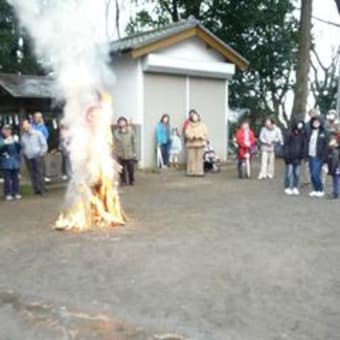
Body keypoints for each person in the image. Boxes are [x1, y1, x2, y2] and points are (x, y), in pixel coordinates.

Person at [21, 119, 48, 196]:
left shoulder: (38, 134)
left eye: (26, 124)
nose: (25, 126)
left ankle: (43, 190)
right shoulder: (23, 137)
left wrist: (41, 153)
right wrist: (25, 154)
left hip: (38, 156)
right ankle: (36, 190)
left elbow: (44, 145)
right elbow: (23, 147)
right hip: (29, 158)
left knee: (40, 173)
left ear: (30, 125)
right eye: (23, 125)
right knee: (32, 174)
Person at [306, 116, 329, 198]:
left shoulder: (324, 132)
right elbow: (307, 143)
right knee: (312, 174)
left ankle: (320, 189)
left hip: (319, 157)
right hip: (311, 155)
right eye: (314, 122)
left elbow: (326, 146)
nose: (315, 123)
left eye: (317, 122)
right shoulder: (310, 131)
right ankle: (315, 189)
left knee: (316, 173)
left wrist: (325, 158)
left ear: (320, 122)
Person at [282, 121, 306, 195]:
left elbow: (303, 146)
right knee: (288, 173)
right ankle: (287, 187)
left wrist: (302, 155)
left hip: (298, 157)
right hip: (289, 157)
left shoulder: (301, 134)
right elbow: (286, 146)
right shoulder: (289, 133)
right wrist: (286, 156)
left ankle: (295, 187)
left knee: (297, 173)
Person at [0, 125, 22, 200]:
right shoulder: (1, 139)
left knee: (16, 178)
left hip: (15, 161)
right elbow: (1, 150)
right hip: (6, 162)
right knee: (7, 178)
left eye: (9, 130)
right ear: (2, 130)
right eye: (6, 130)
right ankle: (8, 193)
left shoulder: (14, 138)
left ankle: (16, 192)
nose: (8, 131)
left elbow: (19, 149)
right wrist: (5, 143)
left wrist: (17, 142)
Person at [114, 116, 136, 186]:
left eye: (123, 122)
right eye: (120, 122)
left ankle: (131, 180)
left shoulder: (130, 130)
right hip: (120, 154)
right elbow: (114, 142)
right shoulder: (116, 132)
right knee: (121, 169)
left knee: (131, 169)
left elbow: (134, 141)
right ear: (118, 124)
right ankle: (123, 181)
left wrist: (134, 152)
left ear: (126, 123)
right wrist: (115, 153)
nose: (121, 123)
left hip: (129, 153)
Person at [184, 109, 208, 177]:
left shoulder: (203, 125)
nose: (195, 118)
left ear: (198, 117)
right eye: (193, 117)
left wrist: (201, 136)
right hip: (191, 144)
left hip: (200, 144)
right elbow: (187, 133)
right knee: (191, 159)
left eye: (196, 117)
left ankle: (199, 172)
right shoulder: (189, 125)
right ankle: (191, 172)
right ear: (191, 118)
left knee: (199, 159)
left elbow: (205, 133)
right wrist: (192, 137)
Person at [302, 108, 320, 186]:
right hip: (307, 146)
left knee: (317, 165)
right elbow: (304, 135)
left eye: (314, 113)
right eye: (311, 113)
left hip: (317, 147)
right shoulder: (306, 124)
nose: (313, 115)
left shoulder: (320, 124)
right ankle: (307, 180)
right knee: (307, 164)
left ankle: (317, 180)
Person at [32, 112, 50, 182]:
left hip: (41, 148)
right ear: (34, 118)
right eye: (37, 117)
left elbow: (46, 136)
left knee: (41, 164)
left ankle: (43, 177)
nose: (38, 118)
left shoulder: (43, 127)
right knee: (34, 165)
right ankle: (36, 179)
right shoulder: (32, 126)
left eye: (39, 117)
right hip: (33, 148)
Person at [325, 133, 340, 199]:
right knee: (335, 178)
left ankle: (336, 193)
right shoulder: (334, 142)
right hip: (334, 163)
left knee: (336, 179)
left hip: (337, 164)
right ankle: (335, 192)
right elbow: (329, 150)